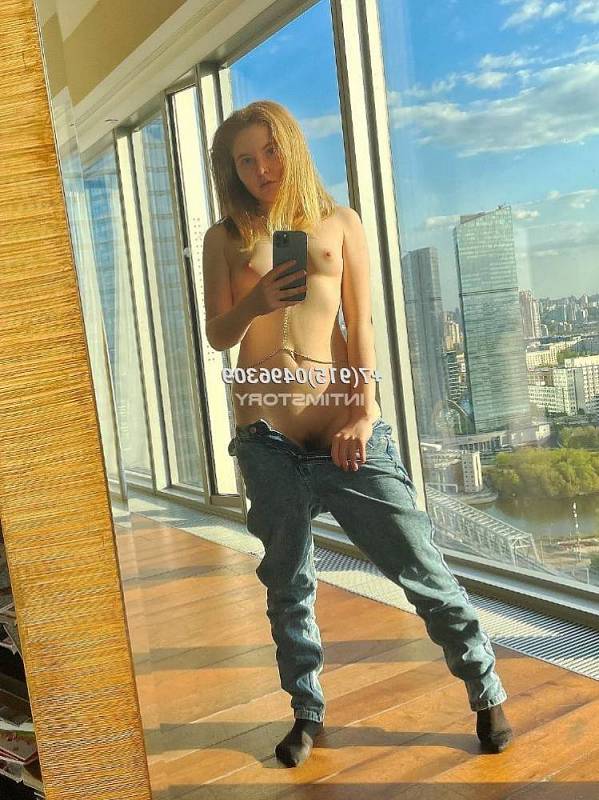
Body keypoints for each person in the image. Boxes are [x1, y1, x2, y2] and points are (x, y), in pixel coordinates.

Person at [202, 99, 513, 768]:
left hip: (344, 432)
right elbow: (219, 334)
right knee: (288, 587)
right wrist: (257, 300)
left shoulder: (339, 223)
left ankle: (485, 691)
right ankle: (306, 712)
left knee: (420, 567)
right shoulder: (224, 237)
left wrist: (363, 413)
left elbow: (360, 325)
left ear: (291, 147)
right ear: (232, 171)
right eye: (245, 160)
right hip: (266, 442)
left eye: (269, 151)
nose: (261, 169)